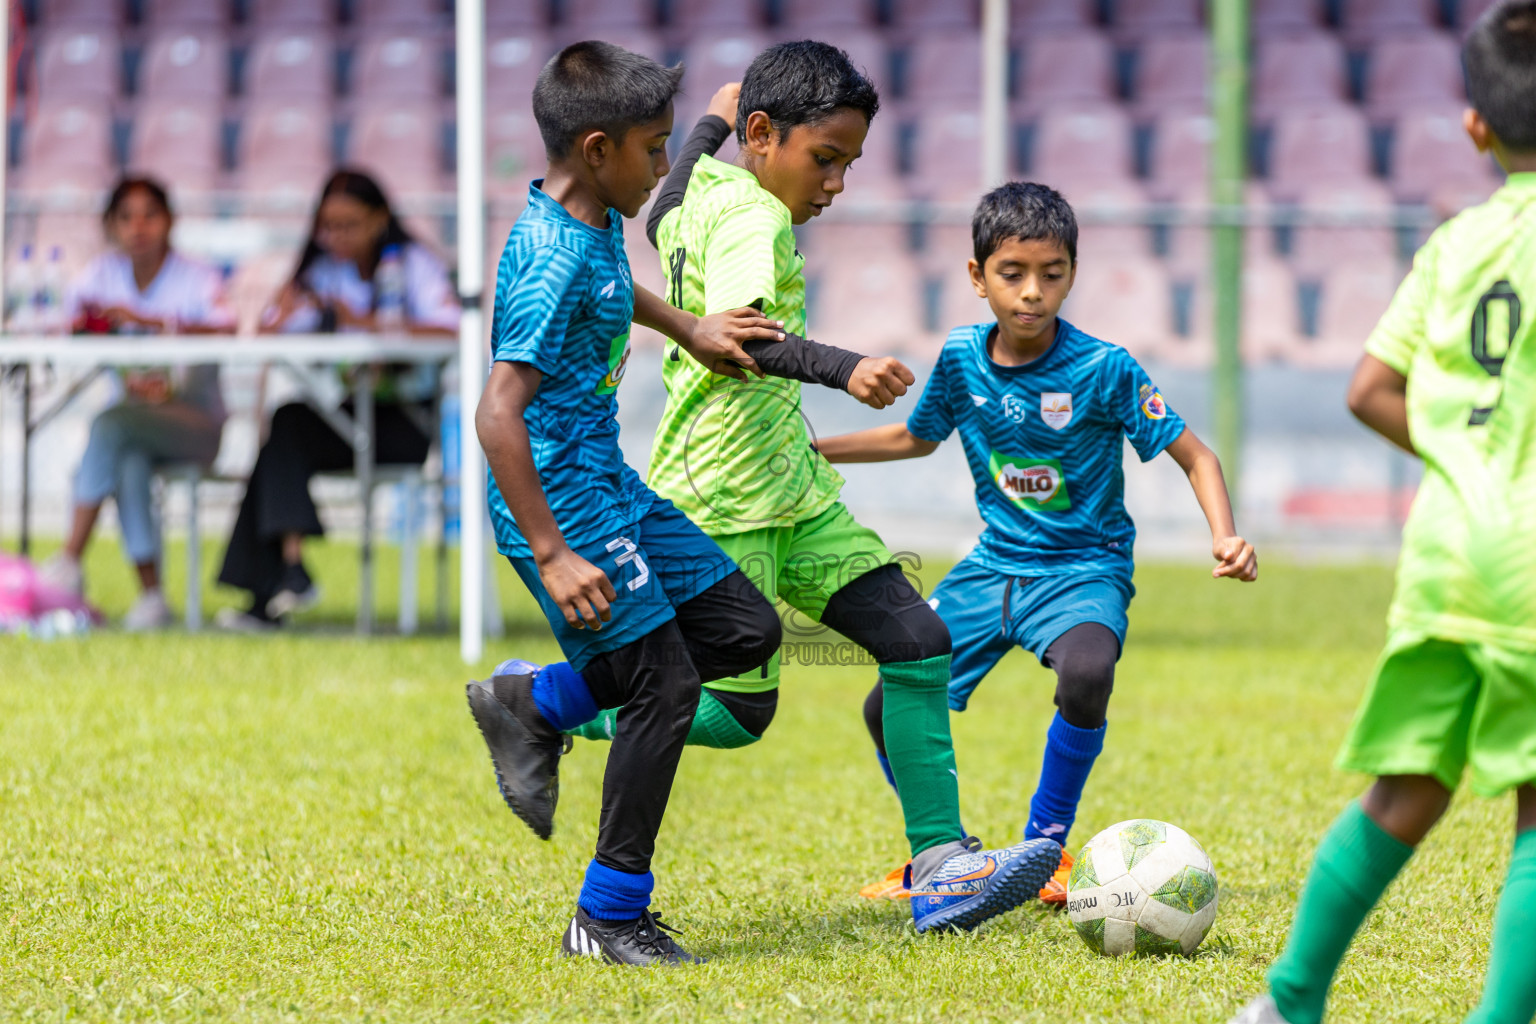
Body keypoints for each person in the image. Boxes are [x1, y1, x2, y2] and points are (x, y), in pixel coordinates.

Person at [561, 43, 1065, 935]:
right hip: (726, 499)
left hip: (796, 494)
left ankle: (943, 869)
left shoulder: (703, 190)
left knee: (917, 641)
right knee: (736, 711)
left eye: (849, 164)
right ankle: (560, 704)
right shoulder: (753, 219)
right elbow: (747, 342)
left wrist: (712, 124)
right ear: (765, 135)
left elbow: (664, 203)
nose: (835, 183)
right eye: (825, 158)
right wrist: (849, 367)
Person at [813, 182, 1257, 907]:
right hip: (991, 568)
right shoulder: (960, 358)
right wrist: (817, 448)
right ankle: (942, 856)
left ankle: (1045, 849)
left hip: (1084, 571)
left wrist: (1226, 535)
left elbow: (1197, 457)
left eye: (1052, 274)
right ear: (976, 276)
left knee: (1086, 673)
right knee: (881, 704)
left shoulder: (1104, 367)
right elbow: (914, 437)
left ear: (1072, 274)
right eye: (1012, 273)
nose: (1032, 293)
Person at [1227, 4, 1536, 1022]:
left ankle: (1287, 1002)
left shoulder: (1454, 244)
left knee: (1407, 787)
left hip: (1448, 553)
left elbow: (1369, 387)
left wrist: (1463, 451)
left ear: (1474, 129)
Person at [468, 40, 805, 967]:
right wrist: (550, 551)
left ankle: (535, 703)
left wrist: (688, 326)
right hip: (563, 508)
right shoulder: (547, 257)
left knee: (745, 631)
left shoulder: (592, 220)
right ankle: (608, 914)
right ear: (595, 148)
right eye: (656, 151)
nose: (666, 169)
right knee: (667, 685)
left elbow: (612, 292)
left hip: (610, 488)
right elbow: (497, 415)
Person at [213, 169, 459, 630]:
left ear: (379, 218)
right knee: (286, 424)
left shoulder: (413, 265)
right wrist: (283, 308)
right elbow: (267, 337)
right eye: (328, 226)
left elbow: (451, 328)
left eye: (348, 224)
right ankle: (289, 567)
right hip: (351, 414)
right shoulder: (322, 271)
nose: (336, 237)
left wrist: (361, 322)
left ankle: (274, 588)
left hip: (404, 423)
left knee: (284, 432)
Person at [38, 176, 235, 631]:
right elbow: (62, 320)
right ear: (111, 226)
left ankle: (69, 559)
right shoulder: (100, 275)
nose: (138, 227)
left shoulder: (197, 277)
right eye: (126, 217)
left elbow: (227, 327)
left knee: (110, 425)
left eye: (150, 215)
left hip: (195, 425)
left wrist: (146, 320)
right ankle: (151, 597)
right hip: (135, 426)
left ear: (169, 222)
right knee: (125, 455)